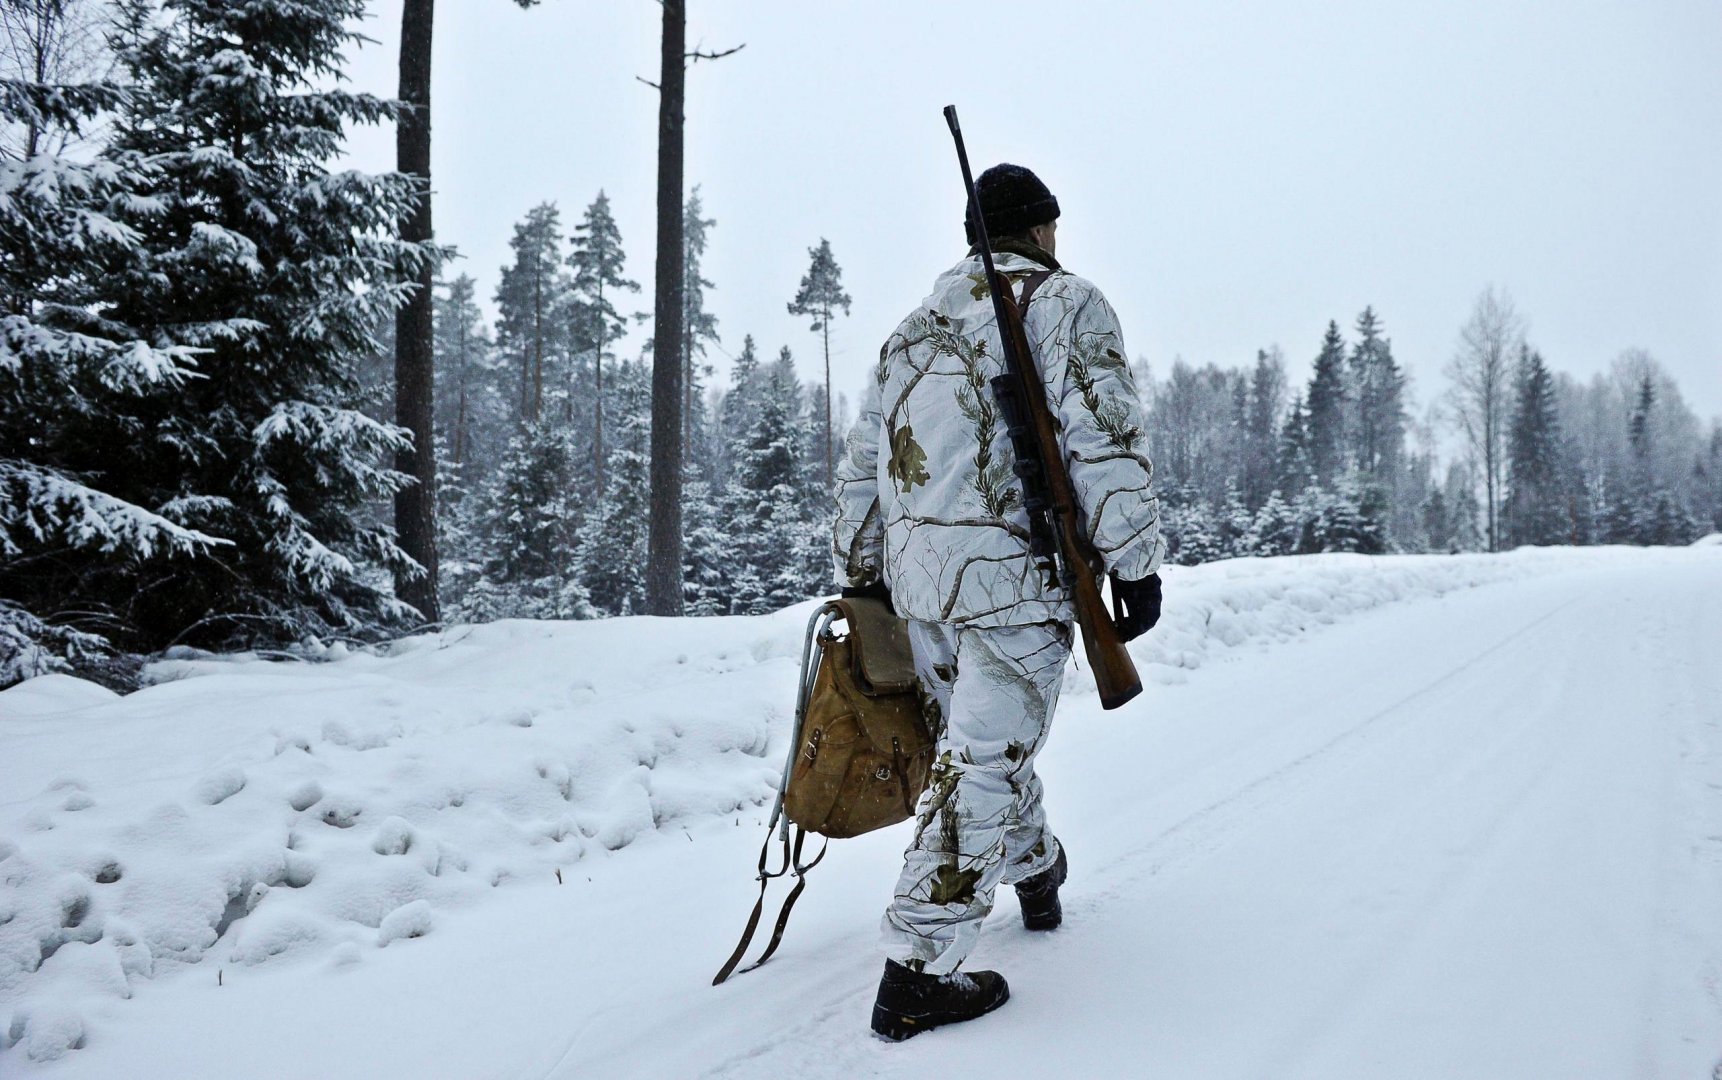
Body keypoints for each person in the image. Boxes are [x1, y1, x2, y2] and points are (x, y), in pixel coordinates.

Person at [832, 163, 1167, 1041]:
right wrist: (1134, 561)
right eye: (1052, 227)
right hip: (1014, 580)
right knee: (981, 763)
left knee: (978, 748)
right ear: (1043, 229)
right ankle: (917, 970)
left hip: (922, 587)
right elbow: (1104, 434)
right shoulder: (1066, 304)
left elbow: (864, 465)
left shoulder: (911, 332)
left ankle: (1036, 869)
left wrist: (862, 573)